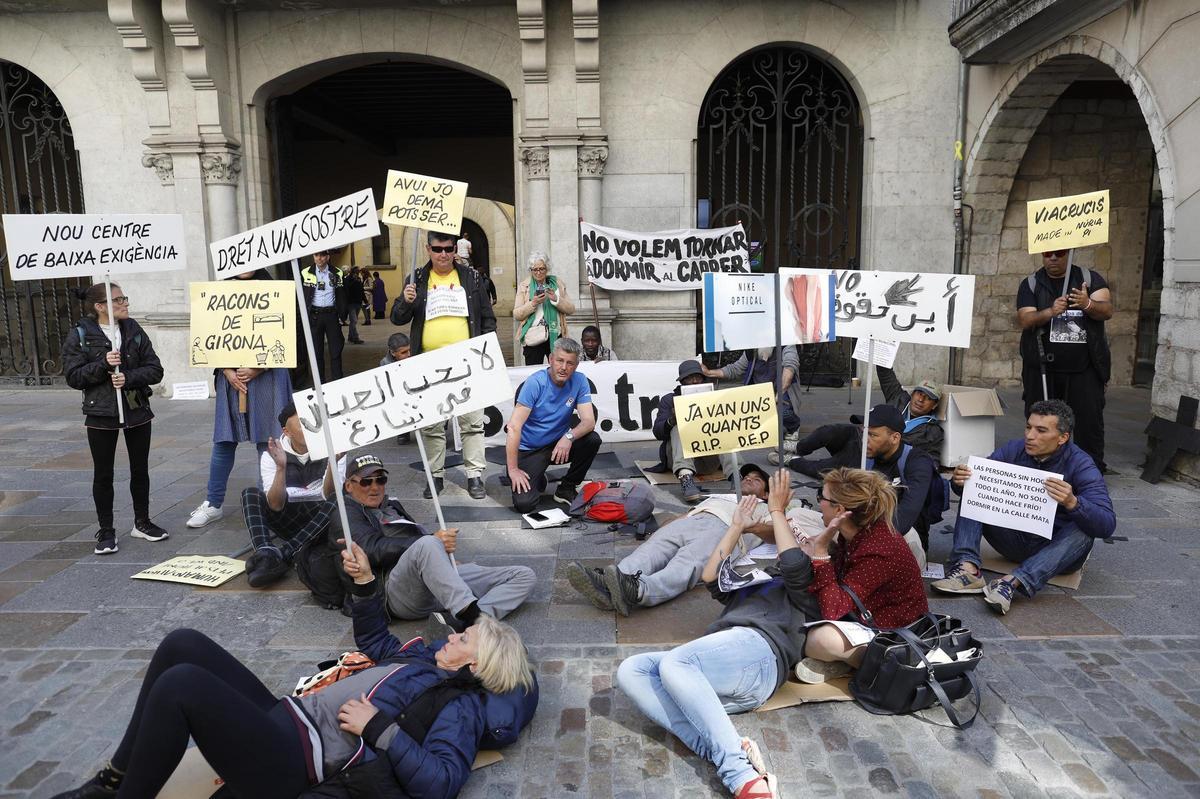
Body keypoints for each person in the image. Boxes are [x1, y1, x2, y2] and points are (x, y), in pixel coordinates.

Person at [51, 540, 532, 799]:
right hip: (287, 718)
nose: (453, 633)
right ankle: (114, 779)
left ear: (475, 661)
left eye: (463, 637)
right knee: (183, 643)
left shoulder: (459, 705)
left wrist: (380, 728)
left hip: (294, 762)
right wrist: (364, 586)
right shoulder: (425, 658)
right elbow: (376, 644)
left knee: (183, 686)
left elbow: (442, 783)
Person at [616, 470, 823, 799]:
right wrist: (737, 526)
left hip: (760, 656)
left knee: (677, 664)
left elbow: (796, 562)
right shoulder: (766, 576)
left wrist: (777, 512)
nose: (802, 543)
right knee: (632, 670)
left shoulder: (811, 585)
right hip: (728, 663)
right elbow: (712, 576)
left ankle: (742, 775)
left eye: (807, 542)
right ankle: (718, 745)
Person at [932, 399, 1116, 614]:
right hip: (1014, 540)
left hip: (1055, 551)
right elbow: (971, 489)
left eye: (1041, 430)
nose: (1030, 436)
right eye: (1028, 427)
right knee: (976, 490)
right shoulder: (1014, 449)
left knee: (1085, 528)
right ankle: (967, 569)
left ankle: (1012, 583)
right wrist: (961, 483)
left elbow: (1107, 524)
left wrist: (1073, 503)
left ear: (1062, 438)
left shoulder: (1081, 464)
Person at [568, 464, 815, 617]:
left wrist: (754, 524)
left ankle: (640, 591)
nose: (749, 479)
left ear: (766, 492)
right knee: (652, 549)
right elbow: (685, 515)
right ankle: (613, 581)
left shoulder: (769, 508)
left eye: (756, 479)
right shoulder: (719, 496)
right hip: (696, 519)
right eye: (746, 476)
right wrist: (668, 526)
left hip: (727, 530)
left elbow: (776, 535)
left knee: (686, 563)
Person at [325, 454, 537, 628]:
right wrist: (432, 542)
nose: (375, 487)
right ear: (349, 486)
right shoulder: (345, 513)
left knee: (523, 575)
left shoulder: (391, 506)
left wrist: (441, 554)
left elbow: (417, 541)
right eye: (366, 481)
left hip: (429, 577)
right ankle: (472, 615)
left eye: (380, 479)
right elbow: (370, 550)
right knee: (427, 543)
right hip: (393, 590)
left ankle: (471, 624)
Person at [788, 466, 929, 684]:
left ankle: (875, 666)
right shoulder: (855, 531)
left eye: (821, 497)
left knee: (819, 641)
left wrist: (821, 553)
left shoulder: (878, 549)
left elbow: (833, 609)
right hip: (866, 614)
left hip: (894, 634)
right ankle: (846, 661)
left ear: (839, 510)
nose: (819, 503)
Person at [61, 283, 167, 555]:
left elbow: (155, 370)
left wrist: (128, 378)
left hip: (136, 408)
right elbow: (73, 376)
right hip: (101, 411)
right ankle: (106, 530)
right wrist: (104, 365)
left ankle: (141, 522)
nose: (125, 304)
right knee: (103, 473)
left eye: (124, 298)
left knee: (140, 469)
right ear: (100, 306)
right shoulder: (81, 333)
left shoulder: (133, 330)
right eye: (118, 300)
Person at [391, 230, 497, 500]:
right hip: (428, 364)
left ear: (455, 249)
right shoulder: (416, 278)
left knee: (472, 423)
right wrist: (406, 299)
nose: (443, 254)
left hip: (467, 361)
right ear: (428, 249)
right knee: (432, 426)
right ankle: (435, 476)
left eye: (448, 249)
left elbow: (487, 317)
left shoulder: (471, 277)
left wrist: (485, 352)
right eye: (438, 249)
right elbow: (397, 318)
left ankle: (474, 476)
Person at [187, 268, 295, 530]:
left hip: (267, 378)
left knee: (266, 441)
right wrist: (227, 370)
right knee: (224, 441)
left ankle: (266, 504)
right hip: (230, 379)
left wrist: (259, 368)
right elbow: (211, 336)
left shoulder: (276, 291)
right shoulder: (219, 294)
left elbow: (287, 337)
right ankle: (213, 504)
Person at [1017, 248, 1114, 471]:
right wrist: (1050, 311)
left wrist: (1087, 303)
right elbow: (1025, 318)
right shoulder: (1032, 283)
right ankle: (1041, 467)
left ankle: (1089, 472)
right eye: (1047, 254)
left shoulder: (1089, 279)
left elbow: (1107, 310)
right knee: (1041, 420)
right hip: (1043, 367)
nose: (1052, 258)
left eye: (1059, 254)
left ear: (1068, 254)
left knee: (1089, 423)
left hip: (1084, 368)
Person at [240, 403, 344, 588]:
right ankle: (265, 551)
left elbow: (329, 495)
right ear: (287, 432)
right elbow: (275, 504)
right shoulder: (272, 455)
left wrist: (333, 463)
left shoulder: (334, 448)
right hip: (290, 517)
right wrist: (281, 467)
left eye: (312, 423)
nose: (310, 428)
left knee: (340, 499)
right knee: (250, 494)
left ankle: (281, 555)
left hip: (321, 522)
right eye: (302, 425)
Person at [507, 337, 601, 511]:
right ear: (550, 359)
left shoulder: (580, 381)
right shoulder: (535, 383)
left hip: (557, 444)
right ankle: (536, 476)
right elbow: (513, 427)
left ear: (576, 365)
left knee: (592, 439)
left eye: (570, 363)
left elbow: (589, 421)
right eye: (559, 361)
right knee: (524, 505)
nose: (564, 368)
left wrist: (568, 437)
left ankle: (567, 487)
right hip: (529, 449)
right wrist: (513, 469)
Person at [858, 404, 940, 565]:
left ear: (895, 438)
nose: (865, 440)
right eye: (864, 433)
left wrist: (864, 540)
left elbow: (906, 516)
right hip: (862, 535)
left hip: (902, 540)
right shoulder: (865, 457)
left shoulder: (918, 461)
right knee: (798, 516)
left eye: (873, 435)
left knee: (906, 535)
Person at [650, 359, 725, 502]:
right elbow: (658, 433)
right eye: (690, 378)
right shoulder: (669, 400)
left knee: (725, 428)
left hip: (708, 459)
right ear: (682, 381)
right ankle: (686, 479)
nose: (695, 381)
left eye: (698, 377)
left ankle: (736, 475)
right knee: (678, 427)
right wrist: (671, 420)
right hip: (678, 459)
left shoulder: (713, 397)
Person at [702, 346, 802, 445]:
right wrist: (709, 372)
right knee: (730, 413)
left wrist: (777, 396)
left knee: (783, 414)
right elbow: (735, 369)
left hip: (781, 395)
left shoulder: (786, 345)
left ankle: (792, 428)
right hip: (759, 399)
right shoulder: (751, 350)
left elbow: (790, 367)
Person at [514, 251, 575, 365]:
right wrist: (533, 303)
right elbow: (517, 314)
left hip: (555, 334)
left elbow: (571, 309)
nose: (538, 272)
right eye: (535, 269)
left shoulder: (557, 283)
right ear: (530, 270)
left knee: (558, 369)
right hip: (534, 335)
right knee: (533, 372)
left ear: (547, 268)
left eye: (541, 269)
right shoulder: (524, 286)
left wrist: (556, 299)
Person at [300, 249, 345, 381]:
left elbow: (342, 294)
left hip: (331, 315)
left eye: (322, 255)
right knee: (316, 351)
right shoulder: (305, 272)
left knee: (336, 350)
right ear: (313, 256)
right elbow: (301, 295)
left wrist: (343, 314)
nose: (319, 258)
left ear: (328, 257)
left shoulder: (337, 272)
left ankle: (337, 381)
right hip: (314, 315)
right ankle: (320, 384)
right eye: (316, 255)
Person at [343, 267, 365, 344]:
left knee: (353, 321)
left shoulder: (359, 279)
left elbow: (361, 290)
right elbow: (347, 288)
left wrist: (364, 300)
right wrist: (354, 281)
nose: (357, 274)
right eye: (356, 272)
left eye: (358, 272)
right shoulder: (347, 279)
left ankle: (350, 337)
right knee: (354, 320)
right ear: (352, 272)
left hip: (358, 302)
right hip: (350, 303)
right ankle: (355, 337)